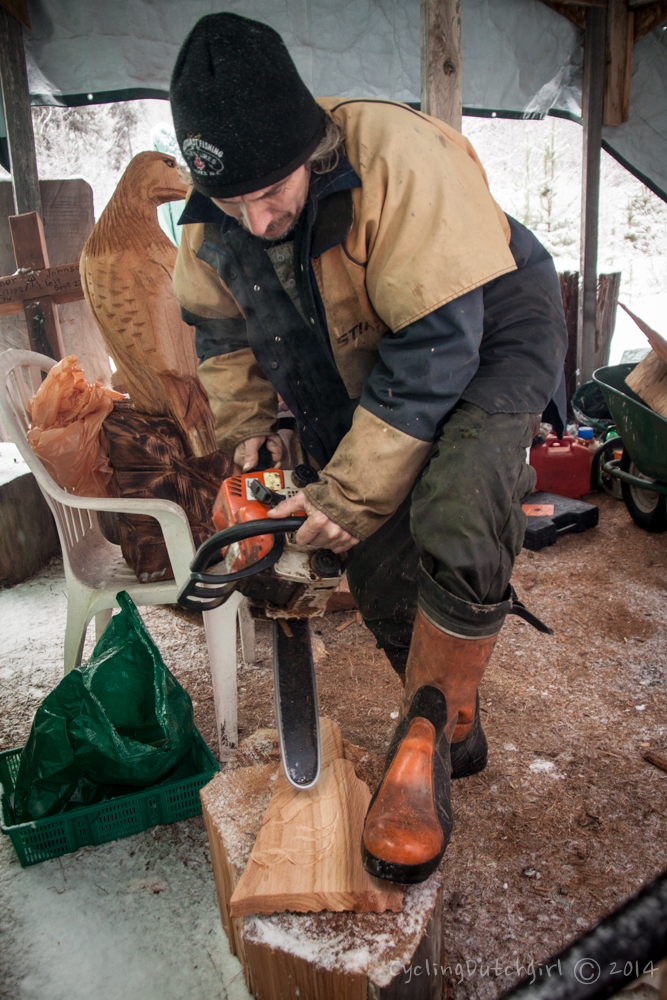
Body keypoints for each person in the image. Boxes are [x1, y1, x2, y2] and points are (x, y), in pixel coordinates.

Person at [169, 12, 567, 885]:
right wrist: (252, 442)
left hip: (484, 316)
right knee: (370, 549)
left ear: (311, 149)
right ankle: (441, 722)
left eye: (270, 190)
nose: (256, 215)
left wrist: (348, 491)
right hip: (361, 334)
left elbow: (434, 356)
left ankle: (425, 727)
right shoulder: (214, 225)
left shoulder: (397, 157)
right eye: (231, 200)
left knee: (455, 500)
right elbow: (224, 341)